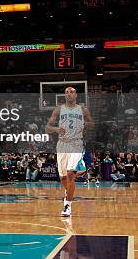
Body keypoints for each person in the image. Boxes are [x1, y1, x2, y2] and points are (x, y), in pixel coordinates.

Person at [46, 87, 94, 217]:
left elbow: (92, 124)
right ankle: (69, 194)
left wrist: (85, 124)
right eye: (66, 92)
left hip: (76, 143)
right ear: (64, 95)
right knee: (63, 177)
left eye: (71, 91)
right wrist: (56, 129)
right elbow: (48, 127)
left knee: (70, 175)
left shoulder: (83, 110)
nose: (69, 94)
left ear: (76, 95)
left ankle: (67, 205)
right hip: (62, 144)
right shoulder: (59, 109)